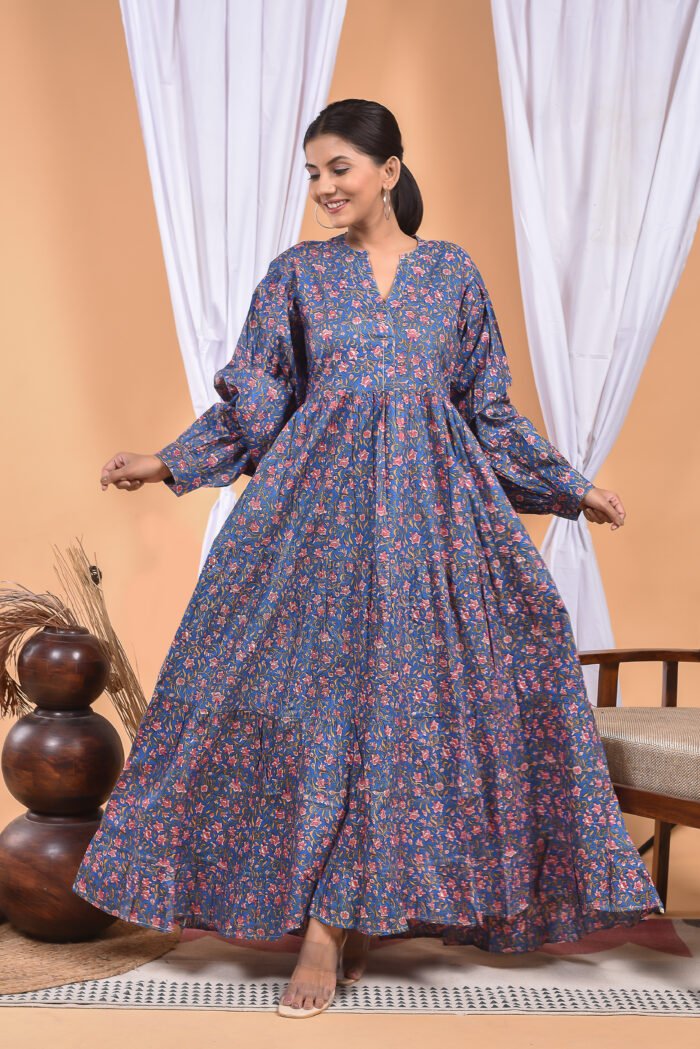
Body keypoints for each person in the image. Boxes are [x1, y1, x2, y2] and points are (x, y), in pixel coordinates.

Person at [72, 99, 663, 1020]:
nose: (321, 188)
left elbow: (487, 409)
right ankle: (323, 922)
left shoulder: (454, 277)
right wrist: (167, 462)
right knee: (311, 703)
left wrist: (567, 484)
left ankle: (341, 922)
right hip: (317, 522)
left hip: (432, 527)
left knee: (406, 710)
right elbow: (259, 398)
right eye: (311, 173)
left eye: (338, 168)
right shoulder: (297, 275)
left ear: (390, 169)